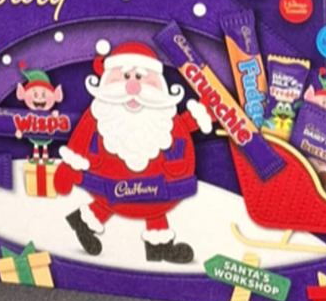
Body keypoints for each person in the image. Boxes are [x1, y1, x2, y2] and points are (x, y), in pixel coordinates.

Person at [54, 42, 212, 264]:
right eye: (125, 76)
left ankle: (159, 246)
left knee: (153, 207)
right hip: (107, 179)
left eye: (140, 77)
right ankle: (85, 222)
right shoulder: (101, 114)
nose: (133, 87)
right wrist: (69, 167)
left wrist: (203, 113)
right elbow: (81, 139)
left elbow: (183, 127)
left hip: (158, 184)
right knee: (110, 200)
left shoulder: (163, 117)